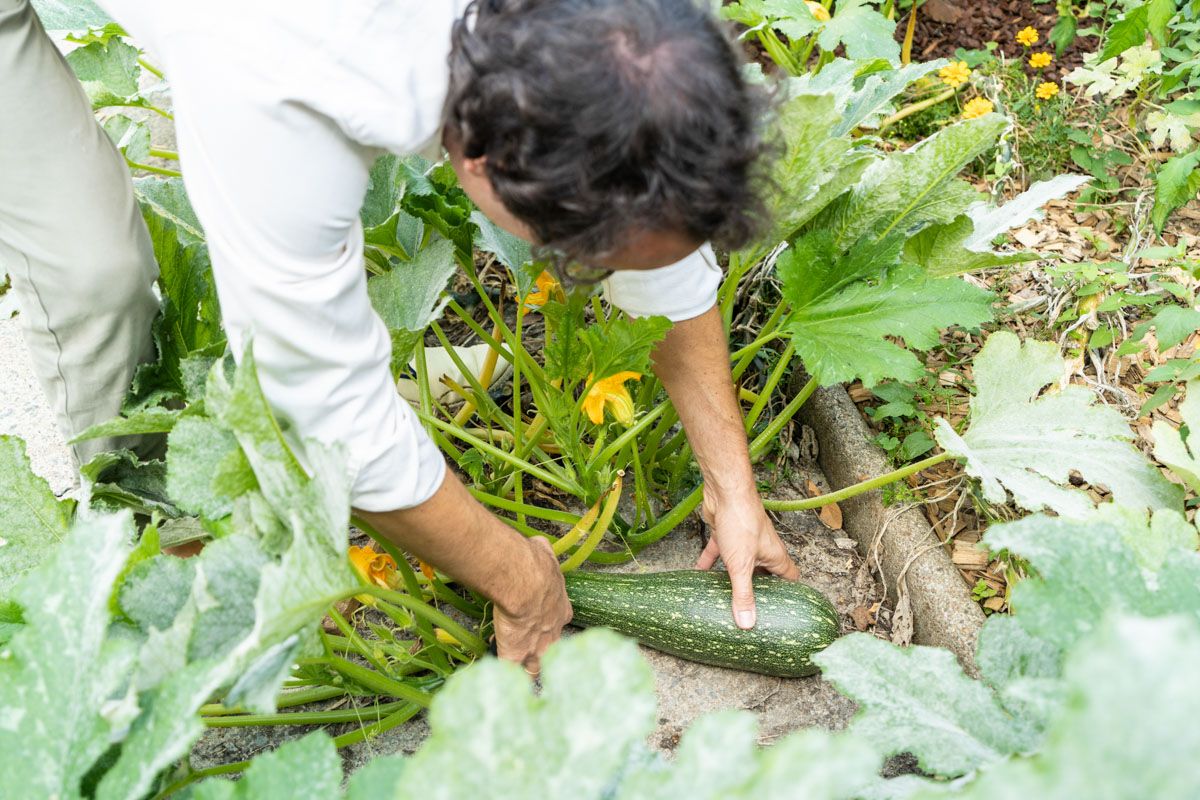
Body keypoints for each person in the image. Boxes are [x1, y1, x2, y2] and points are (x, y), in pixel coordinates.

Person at [0, 0, 800, 675]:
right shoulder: (282, 96)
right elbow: (332, 414)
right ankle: (145, 548)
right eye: (587, 261)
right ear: (485, 166)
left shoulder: (611, 32)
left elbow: (654, 242)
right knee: (93, 276)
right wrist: (521, 583)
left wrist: (732, 483)